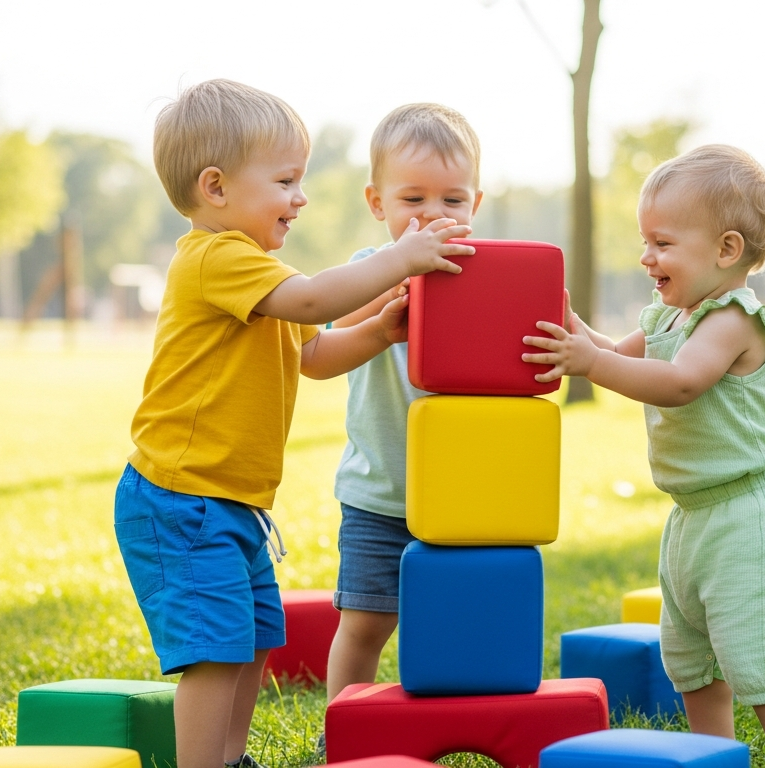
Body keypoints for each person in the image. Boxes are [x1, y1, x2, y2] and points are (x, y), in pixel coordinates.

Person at [113, 80, 473, 768]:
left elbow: (310, 354)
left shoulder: (256, 272)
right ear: (215, 187)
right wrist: (400, 259)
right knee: (216, 652)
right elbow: (311, 304)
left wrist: (380, 330)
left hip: (229, 502)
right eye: (284, 180)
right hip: (181, 498)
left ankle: (230, 757)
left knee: (251, 638)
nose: (300, 197)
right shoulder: (214, 258)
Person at [523, 145, 765, 767]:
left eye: (662, 243)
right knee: (689, 654)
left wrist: (593, 364)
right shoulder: (669, 314)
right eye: (644, 241)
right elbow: (620, 353)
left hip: (746, 514)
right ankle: (715, 756)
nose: (646, 257)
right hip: (692, 515)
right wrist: (572, 326)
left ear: (726, 250)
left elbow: (681, 381)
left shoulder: (734, 319)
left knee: (753, 651)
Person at [318, 104, 483, 753]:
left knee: (461, 627)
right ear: (376, 201)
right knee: (364, 624)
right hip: (380, 494)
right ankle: (343, 737)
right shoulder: (370, 266)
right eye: (412, 198)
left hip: (465, 500)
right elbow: (334, 324)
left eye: (452, 197)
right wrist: (397, 273)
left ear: (476, 200)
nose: (432, 213)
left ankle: (456, 730)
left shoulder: (484, 270)